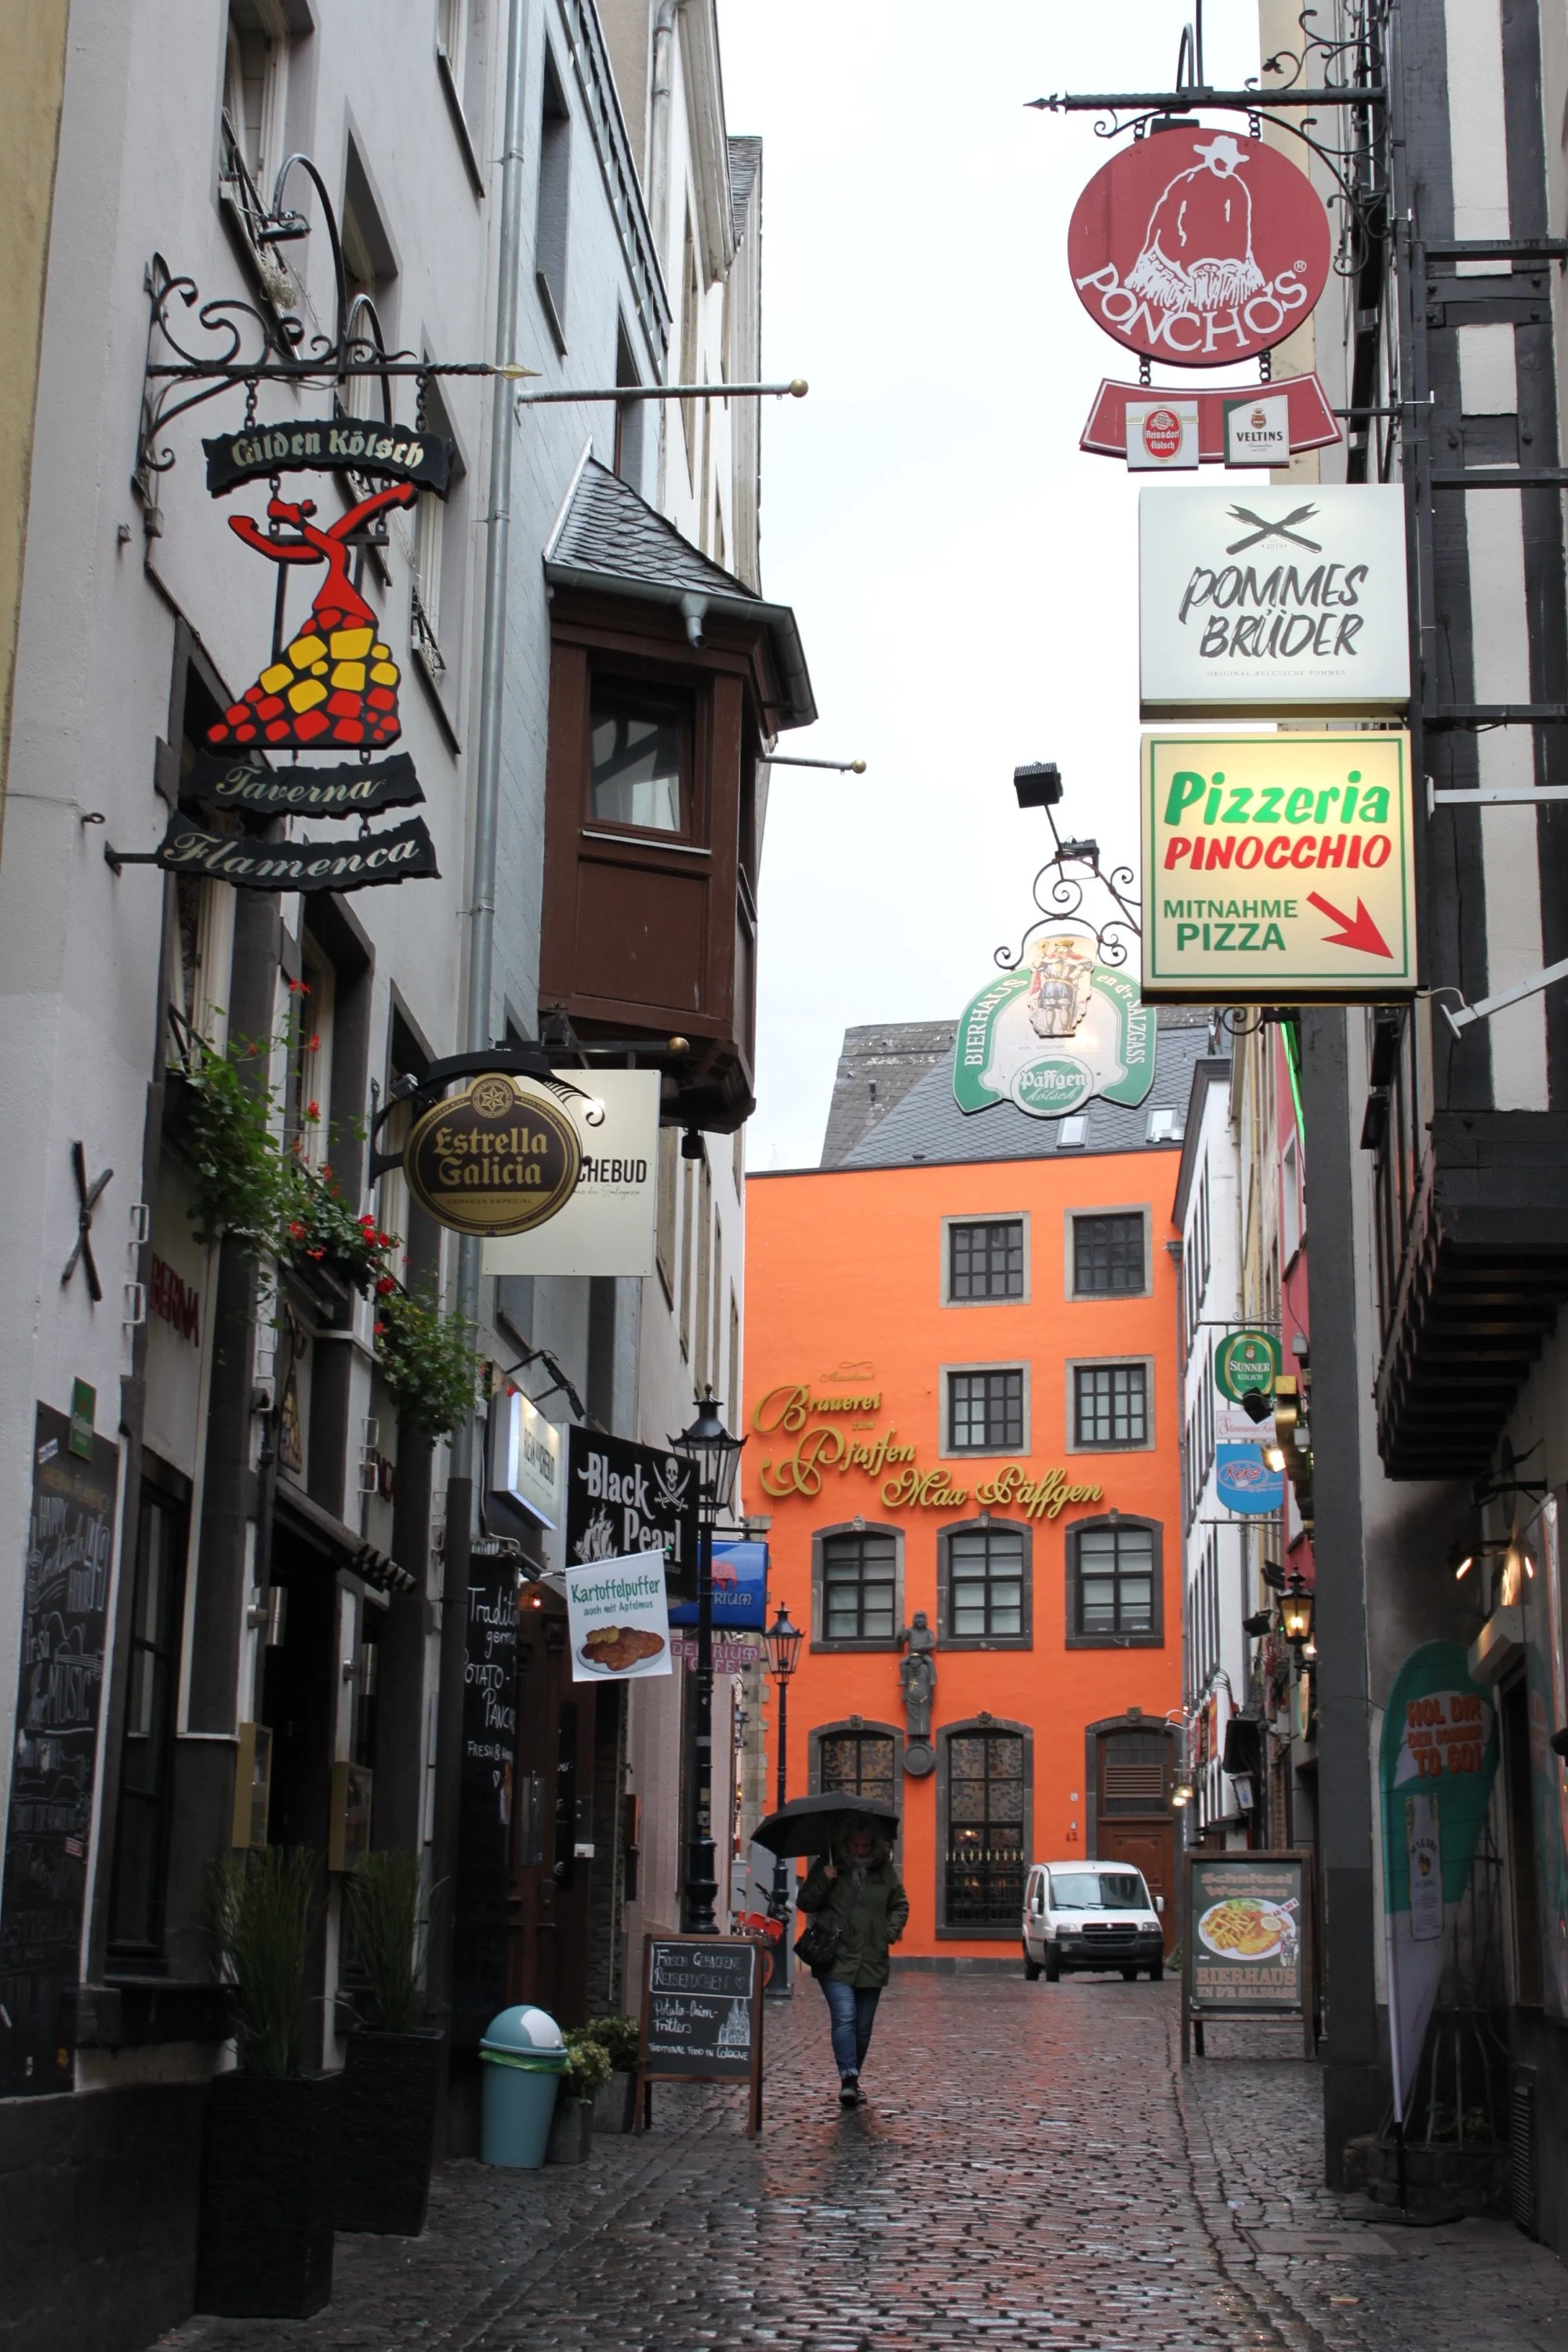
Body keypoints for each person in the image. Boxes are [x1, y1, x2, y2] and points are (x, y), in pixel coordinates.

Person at [797, 1817, 909, 2107]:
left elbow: (900, 1904)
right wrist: (825, 1878)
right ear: (846, 1844)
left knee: (863, 2026)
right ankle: (847, 2078)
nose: (860, 1851)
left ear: (874, 1846)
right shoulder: (831, 1863)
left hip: (872, 1958)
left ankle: (853, 2078)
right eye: (855, 1845)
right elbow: (805, 1902)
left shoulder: (884, 1871)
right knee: (845, 2016)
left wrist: (890, 1930)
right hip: (835, 1957)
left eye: (865, 1846)